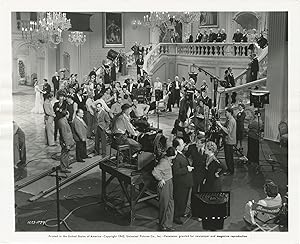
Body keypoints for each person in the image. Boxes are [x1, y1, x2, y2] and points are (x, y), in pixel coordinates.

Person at [152, 147, 177, 231]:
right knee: (164, 205)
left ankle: (167, 224)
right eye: (175, 154)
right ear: (172, 156)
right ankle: (163, 225)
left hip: (169, 182)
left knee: (170, 203)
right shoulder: (164, 162)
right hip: (165, 185)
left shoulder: (167, 159)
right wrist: (160, 179)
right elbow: (154, 171)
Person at [172, 138, 194, 225]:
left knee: (184, 199)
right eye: (182, 144)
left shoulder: (180, 154)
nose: (184, 145)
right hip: (181, 183)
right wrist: (187, 169)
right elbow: (176, 171)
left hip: (185, 182)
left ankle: (180, 213)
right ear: (177, 147)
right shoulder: (176, 157)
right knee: (179, 200)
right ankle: (176, 216)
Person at [216, 107, 236, 175]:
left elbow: (228, 131)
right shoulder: (229, 120)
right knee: (228, 156)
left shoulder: (231, 121)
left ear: (230, 113)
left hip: (229, 141)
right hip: (228, 140)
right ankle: (229, 169)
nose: (225, 114)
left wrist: (220, 125)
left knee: (229, 156)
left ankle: (230, 170)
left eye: (226, 112)